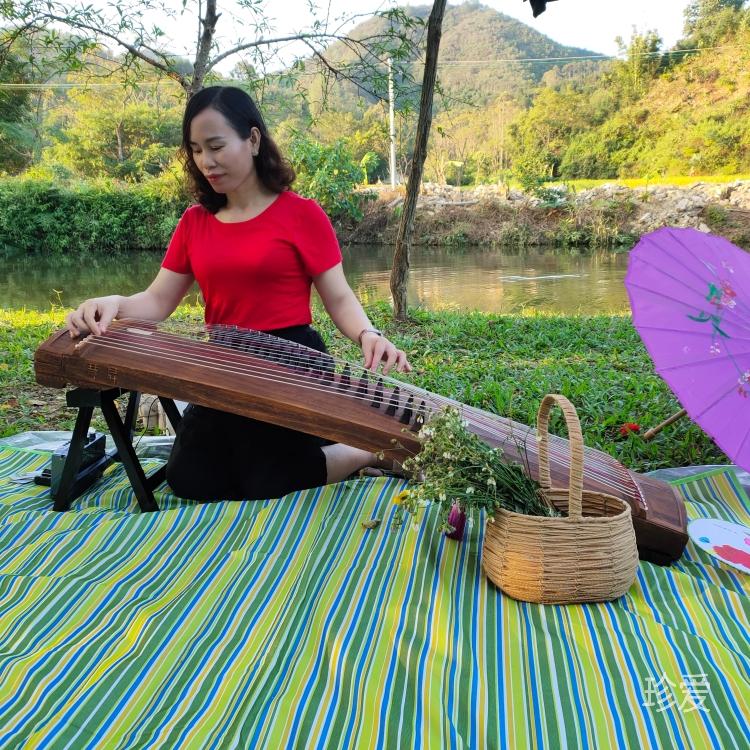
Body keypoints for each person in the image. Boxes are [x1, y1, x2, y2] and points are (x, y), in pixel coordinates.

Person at [65, 85, 411, 502]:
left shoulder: (301, 214)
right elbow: (157, 301)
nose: (206, 162)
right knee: (189, 479)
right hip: (224, 363)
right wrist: (114, 304)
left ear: (253, 139)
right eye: (195, 150)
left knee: (269, 480)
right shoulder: (195, 222)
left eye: (216, 146)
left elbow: (338, 297)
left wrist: (368, 333)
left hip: (290, 360)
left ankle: (365, 450)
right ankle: (312, 454)